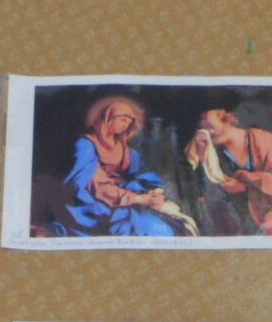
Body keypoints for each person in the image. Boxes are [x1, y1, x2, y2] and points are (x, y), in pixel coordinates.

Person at [53, 96, 197, 238]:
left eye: (129, 122)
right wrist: (138, 199)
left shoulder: (124, 148)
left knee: (171, 225)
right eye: (123, 120)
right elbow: (94, 183)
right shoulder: (86, 144)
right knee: (145, 226)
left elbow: (142, 171)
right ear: (108, 118)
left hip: (124, 195)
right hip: (93, 199)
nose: (126, 125)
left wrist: (155, 189)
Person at [182, 108, 272, 235]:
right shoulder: (216, 153)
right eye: (205, 128)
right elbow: (212, 189)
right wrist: (203, 157)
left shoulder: (262, 140)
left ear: (227, 122)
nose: (209, 133)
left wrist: (246, 186)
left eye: (211, 127)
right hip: (245, 221)